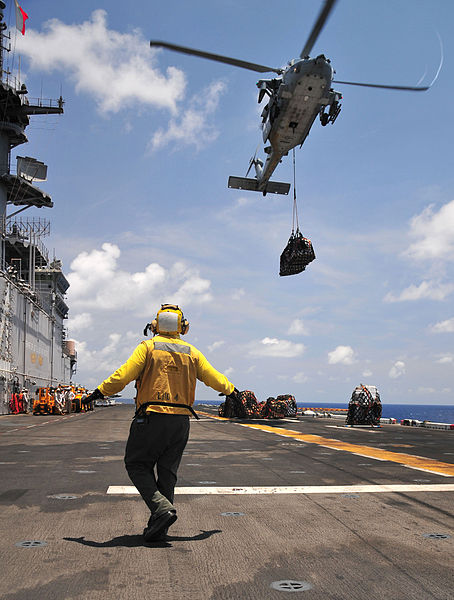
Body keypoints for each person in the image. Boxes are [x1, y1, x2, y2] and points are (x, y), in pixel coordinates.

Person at [84, 304, 238, 543]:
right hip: (181, 423)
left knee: (136, 464)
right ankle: (159, 528)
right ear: (183, 327)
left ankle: (161, 509)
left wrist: (99, 392)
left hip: (151, 418)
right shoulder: (192, 352)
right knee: (167, 474)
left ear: (154, 326)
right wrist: (232, 390)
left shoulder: (148, 347)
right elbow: (214, 377)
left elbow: (123, 375)